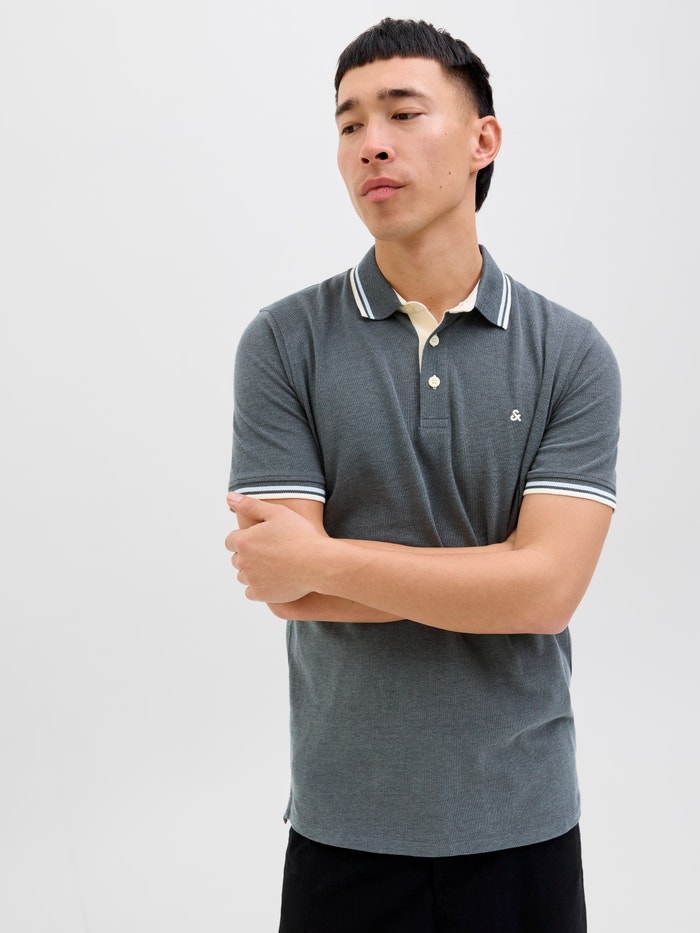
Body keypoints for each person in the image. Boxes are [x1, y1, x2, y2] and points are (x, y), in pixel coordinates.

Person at [225, 17, 620, 933]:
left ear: (483, 139)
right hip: (343, 828)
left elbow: (547, 591)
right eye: (349, 122)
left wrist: (327, 559)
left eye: (403, 113)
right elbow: (286, 588)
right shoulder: (283, 342)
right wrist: (494, 575)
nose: (372, 143)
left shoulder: (571, 354)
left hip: (523, 823)